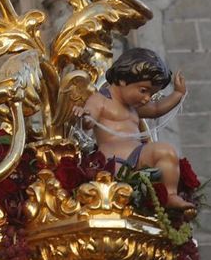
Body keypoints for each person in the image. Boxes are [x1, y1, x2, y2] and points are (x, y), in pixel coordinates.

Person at [81, 48, 192, 209]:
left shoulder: (134, 108)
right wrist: (86, 116)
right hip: (113, 164)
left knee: (166, 152)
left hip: (139, 159)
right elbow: (89, 118)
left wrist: (178, 94)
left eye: (151, 94)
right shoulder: (101, 100)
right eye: (143, 90)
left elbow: (156, 109)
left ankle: (170, 196)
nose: (147, 98)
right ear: (123, 80)